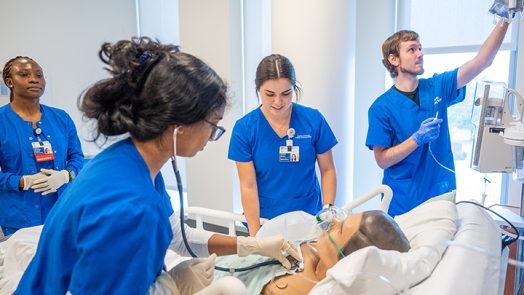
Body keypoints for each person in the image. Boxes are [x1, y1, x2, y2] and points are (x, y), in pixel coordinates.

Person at [15, 37, 301, 295]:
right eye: (213, 125)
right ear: (178, 125)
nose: (213, 137)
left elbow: (174, 233)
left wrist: (250, 245)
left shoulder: (128, 160)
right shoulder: (132, 207)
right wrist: (169, 286)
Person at [365, 17, 510, 217]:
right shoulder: (381, 108)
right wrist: (417, 139)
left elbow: (481, 62)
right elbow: (382, 160)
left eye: (420, 48)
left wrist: (505, 20)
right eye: (412, 49)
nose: (420, 54)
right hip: (403, 201)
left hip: (440, 195)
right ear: (394, 59)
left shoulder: (437, 86)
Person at [229, 54, 338, 236]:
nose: (278, 102)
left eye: (286, 94)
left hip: (309, 216)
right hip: (266, 219)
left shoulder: (313, 120)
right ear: (258, 89)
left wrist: (327, 213)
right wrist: (256, 236)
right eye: (269, 94)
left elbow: (328, 170)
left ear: (294, 88)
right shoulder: (245, 129)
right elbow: (248, 185)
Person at [214, 210, 410, 294]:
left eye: (339, 229)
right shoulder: (317, 244)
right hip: (211, 262)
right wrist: (250, 244)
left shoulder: (297, 288)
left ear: (348, 260)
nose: (333, 222)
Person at [0, 56, 84, 236]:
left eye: (39, 75)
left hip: (61, 211)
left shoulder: (61, 118)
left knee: (60, 262)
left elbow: (77, 157)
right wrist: (22, 181)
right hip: (19, 217)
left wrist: (65, 175)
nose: (34, 79)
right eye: (24, 74)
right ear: (9, 82)